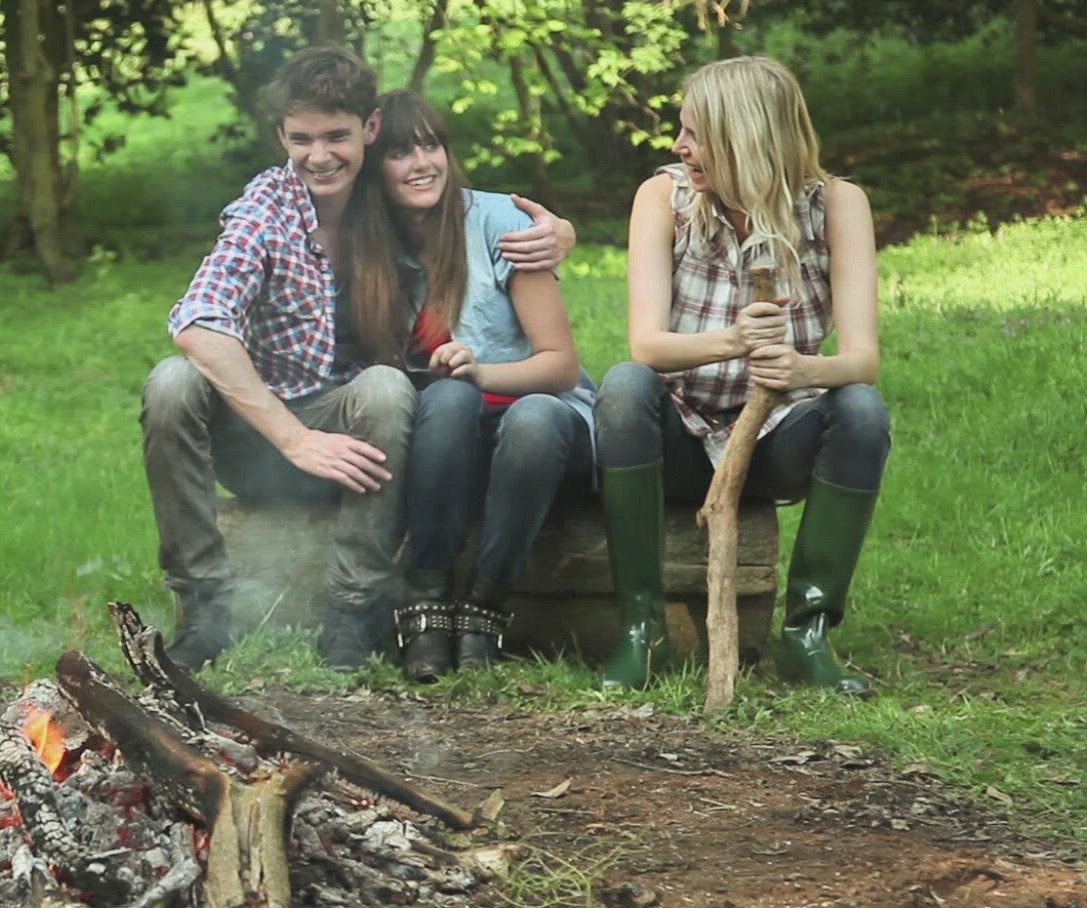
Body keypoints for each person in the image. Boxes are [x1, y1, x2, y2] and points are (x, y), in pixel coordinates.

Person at [142, 45, 576, 673]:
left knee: (384, 385)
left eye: (336, 137)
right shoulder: (268, 207)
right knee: (171, 381)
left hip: (357, 438)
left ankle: (355, 608)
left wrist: (558, 232)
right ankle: (204, 605)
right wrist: (293, 438)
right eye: (301, 139)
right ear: (281, 137)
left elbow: (462, 212)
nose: (319, 156)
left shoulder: (386, 202)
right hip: (261, 436)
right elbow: (199, 322)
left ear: (369, 129)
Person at [594, 55, 889, 694]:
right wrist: (733, 340)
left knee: (862, 410)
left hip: (775, 438)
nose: (680, 146)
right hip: (679, 434)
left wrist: (802, 367)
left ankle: (807, 637)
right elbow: (646, 346)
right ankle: (643, 632)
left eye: (695, 134)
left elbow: (861, 360)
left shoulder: (837, 206)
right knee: (622, 386)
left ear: (745, 136)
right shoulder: (662, 198)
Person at [340, 90, 597, 682]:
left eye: (432, 146)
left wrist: (480, 371)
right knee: (450, 397)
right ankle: (427, 606)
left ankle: (485, 605)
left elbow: (560, 366)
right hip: (447, 440)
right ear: (374, 168)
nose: (422, 164)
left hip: (543, 428)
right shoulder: (367, 246)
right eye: (399, 152)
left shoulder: (499, 224)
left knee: (528, 416)